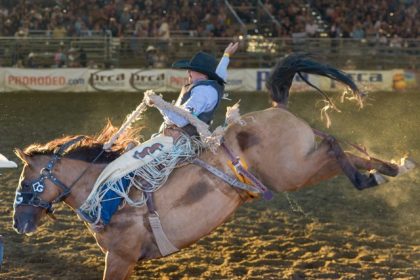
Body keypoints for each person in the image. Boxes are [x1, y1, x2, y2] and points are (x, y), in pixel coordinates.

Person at [78, 42, 239, 229]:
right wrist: (226, 56)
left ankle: (102, 214)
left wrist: (159, 104)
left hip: (177, 140)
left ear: (203, 73)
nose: (188, 73)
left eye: (192, 71)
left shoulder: (203, 91)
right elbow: (220, 74)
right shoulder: (212, 85)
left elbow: (180, 119)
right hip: (180, 138)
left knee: (129, 165)